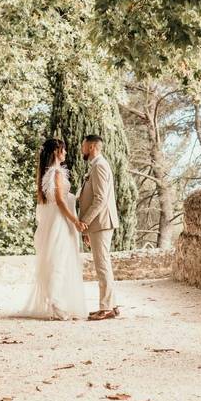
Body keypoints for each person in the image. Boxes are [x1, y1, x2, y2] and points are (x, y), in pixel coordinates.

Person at [20, 138, 87, 320]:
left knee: (56, 261)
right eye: (63, 150)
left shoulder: (47, 173)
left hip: (53, 221)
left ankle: (56, 302)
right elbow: (59, 201)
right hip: (60, 222)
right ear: (57, 151)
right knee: (59, 262)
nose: (65, 153)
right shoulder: (56, 173)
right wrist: (75, 221)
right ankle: (56, 304)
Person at [76, 134, 120, 320]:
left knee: (102, 265)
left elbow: (100, 199)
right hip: (97, 224)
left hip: (101, 222)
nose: (82, 149)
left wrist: (85, 220)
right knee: (103, 264)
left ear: (92, 147)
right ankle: (112, 305)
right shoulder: (96, 165)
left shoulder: (100, 166)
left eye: (83, 146)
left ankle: (106, 308)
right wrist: (87, 229)